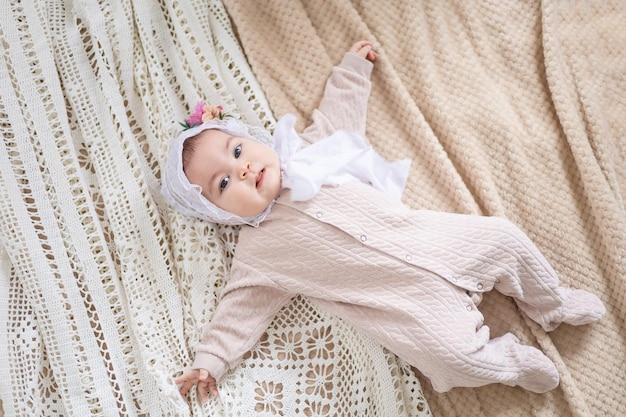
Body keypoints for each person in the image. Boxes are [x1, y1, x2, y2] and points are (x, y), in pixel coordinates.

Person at [162, 41, 605, 403]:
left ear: (250, 140)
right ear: (219, 213)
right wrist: (211, 360)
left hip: (438, 242)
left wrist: (354, 70)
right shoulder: (259, 254)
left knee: (504, 237)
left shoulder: (314, 153)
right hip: (410, 306)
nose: (240, 170)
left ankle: (552, 303)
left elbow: (339, 113)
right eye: (222, 184)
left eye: (237, 151)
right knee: (451, 361)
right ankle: (508, 363)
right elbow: (238, 311)